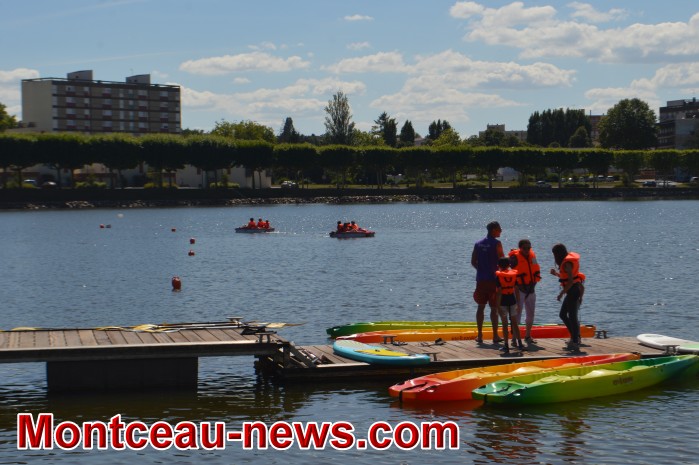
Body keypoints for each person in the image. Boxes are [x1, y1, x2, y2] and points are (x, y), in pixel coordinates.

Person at [471, 221, 504, 344]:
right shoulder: (497, 243)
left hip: (481, 280)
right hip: (493, 280)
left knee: (481, 306)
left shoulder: (478, 244)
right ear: (493, 230)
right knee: (494, 308)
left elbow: (473, 262)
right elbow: (502, 262)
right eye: (499, 229)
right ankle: (495, 335)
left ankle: (480, 335)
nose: (501, 231)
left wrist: (481, 270)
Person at [550, 243, 586, 351]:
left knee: (572, 316)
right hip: (572, 291)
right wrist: (556, 274)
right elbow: (566, 277)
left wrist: (561, 293)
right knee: (563, 314)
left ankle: (575, 341)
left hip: (573, 291)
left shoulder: (567, 263)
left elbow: (570, 281)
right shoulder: (566, 263)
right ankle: (575, 337)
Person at [508, 239, 541, 344]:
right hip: (519, 290)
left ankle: (528, 336)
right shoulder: (514, 258)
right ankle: (514, 338)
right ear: (520, 248)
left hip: (531, 289)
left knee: (531, 314)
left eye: (528, 248)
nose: (527, 250)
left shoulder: (532, 256)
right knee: (517, 314)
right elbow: (506, 268)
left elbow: (535, 268)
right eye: (524, 248)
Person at [495, 257, 522, 353]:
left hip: (503, 301)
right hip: (512, 300)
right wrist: (518, 303)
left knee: (504, 324)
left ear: (498, 266)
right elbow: (517, 290)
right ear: (509, 265)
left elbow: (499, 293)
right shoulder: (513, 275)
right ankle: (520, 344)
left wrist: (498, 306)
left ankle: (506, 345)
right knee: (514, 323)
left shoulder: (499, 276)